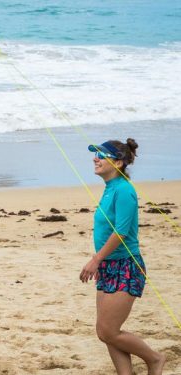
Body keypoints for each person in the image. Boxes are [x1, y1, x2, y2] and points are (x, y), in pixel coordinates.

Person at [80, 139, 166, 375]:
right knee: (105, 332)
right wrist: (101, 260)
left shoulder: (125, 189)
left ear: (118, 163)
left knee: (109, 330)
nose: (95, 158)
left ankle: (155, 359)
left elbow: (122, 231)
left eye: (101, 155)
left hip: (126, 265)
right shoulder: (110, 188)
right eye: (95, 154)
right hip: (108, 265)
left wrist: (96, 259)